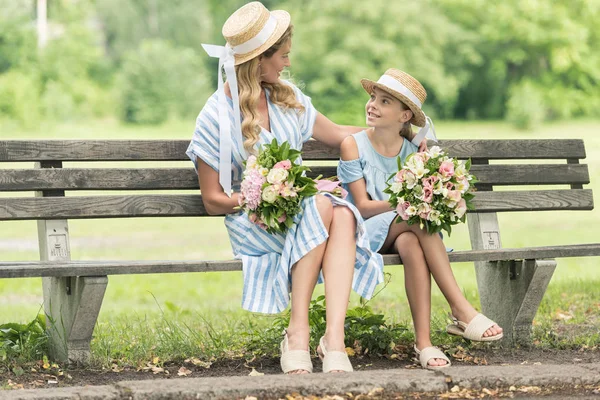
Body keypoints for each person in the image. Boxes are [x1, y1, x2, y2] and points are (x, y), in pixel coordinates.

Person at [186, 2, 402, 374]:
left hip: (309, 207)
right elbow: (213, 200)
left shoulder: (287, 98)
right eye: (283, 56)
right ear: (258, 61)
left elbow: (336, 135)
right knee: (324, 206)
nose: (287, 64)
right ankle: (298, 331)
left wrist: (397, 134)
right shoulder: (215, 116)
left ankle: (333, 338)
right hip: (256, 220)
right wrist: (271, 193)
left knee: (340, 214)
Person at [337, 68, 504, 370]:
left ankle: (423, 344)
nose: (372, 105)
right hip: (365, 230)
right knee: (418, 218)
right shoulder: (354, 144)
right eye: (373, 97)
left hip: (403, 231)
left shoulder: (414, 151)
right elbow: (361, 206)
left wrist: (420, 201)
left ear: (404, 116)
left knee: (413, 242)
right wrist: (409, 204)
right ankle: (460, 308)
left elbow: (417, 206)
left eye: (385, 102)